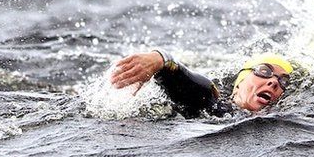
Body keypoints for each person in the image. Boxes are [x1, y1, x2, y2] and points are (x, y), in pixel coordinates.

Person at [109, 49, 294, 117]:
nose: (272, 82)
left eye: (283, 81)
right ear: (240, 82)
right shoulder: (212, 103)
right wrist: (159, 59)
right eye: (264, 71)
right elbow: (187, 81)